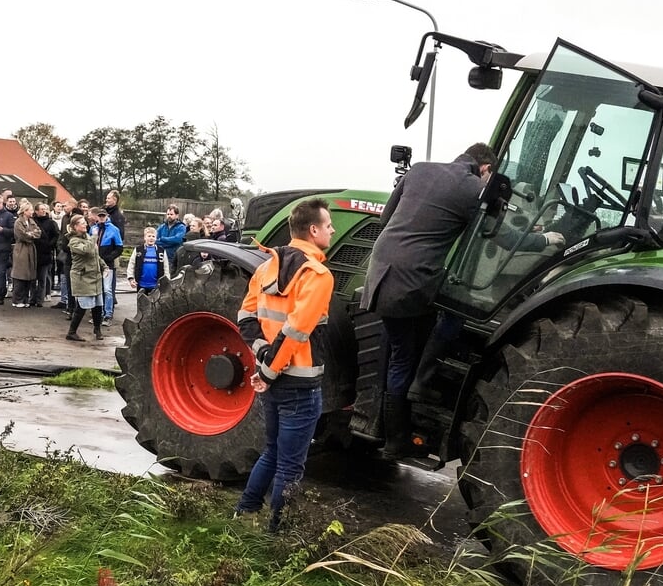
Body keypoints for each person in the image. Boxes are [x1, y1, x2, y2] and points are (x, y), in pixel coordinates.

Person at [362, 143, 558, 459]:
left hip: (381, 272)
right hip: (416, 279)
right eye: (489, 177)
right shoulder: (472, 189)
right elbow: (502, 237)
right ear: (485, 170)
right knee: (455, 308)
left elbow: (386, 219)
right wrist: (543, 239)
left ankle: (399, 429)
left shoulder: (419, 169)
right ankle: (413, 403)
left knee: (402, 349)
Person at [234, 199, 336, 532]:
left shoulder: (266, 268)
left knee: (273, 451)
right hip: (299, 385)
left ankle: (245, 511)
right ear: (314, 230)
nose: (332, 229)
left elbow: (246, 316)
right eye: (328, 224)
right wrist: (267, 371)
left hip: (274, 383)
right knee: (290, 468)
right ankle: (278, 533)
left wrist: (262, 355)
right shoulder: (318, 275)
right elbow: (295, 332)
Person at [64, 214, 105, 341]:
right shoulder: (73, 241)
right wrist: (94, 237)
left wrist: (104, 266)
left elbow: (94, 255)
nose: (85, 224)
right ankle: (71, 332)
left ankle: (97, 329)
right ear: (75, 226)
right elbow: (86, 251)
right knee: (82, 306)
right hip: (82, 277)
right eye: (82, 223)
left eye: (85, 222)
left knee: (98, 305)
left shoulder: (87, 237)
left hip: (95, 276)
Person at [91, 206, 124, 321]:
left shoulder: (114, 229)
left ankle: (108, 314)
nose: (101, 218)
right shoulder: (93, 229)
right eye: (99, 216)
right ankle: (97, 313)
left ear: (107, 217)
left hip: (108, 265)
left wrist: (109, 258)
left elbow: (119, 248)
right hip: (95, 264)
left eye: (103, 216)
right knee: (97, 290)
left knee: (107, 289)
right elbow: (90, 245)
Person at [9, 197, 39, 308]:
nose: (32, 212)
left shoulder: (32, 221)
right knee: (19, 275)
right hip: (21, 249)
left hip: (31, 250)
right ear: (25, 211)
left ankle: (25, 299)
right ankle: (17, 300)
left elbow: (38, 233)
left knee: (29, 275)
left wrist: (30, 234)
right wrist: (30, 235)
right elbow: (21, 235)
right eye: (30, 210)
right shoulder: (18, 222)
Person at [128, 226, 165, 309]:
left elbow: (165, 267)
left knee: (155, 307)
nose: (151, 238)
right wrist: (131, 278)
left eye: (153, 236)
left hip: (156, 285)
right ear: (145, 237)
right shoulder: (138, 250)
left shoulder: (161, 251)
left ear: (156, 238)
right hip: (141, 284)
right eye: (149, 236)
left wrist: (166, 281)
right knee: (141, 307)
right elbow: (131, 264)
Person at [32, 202, 58, 307]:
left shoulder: (51, 223)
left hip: (46, 253)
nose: (43, 211)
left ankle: (40, 299)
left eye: (44, 209)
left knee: (42, 278)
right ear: (36, 211)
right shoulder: (32, 222)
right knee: (32, 278)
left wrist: (49, 245)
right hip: (34, 252)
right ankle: (32, 298)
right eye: (41, 209)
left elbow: (56, 236)